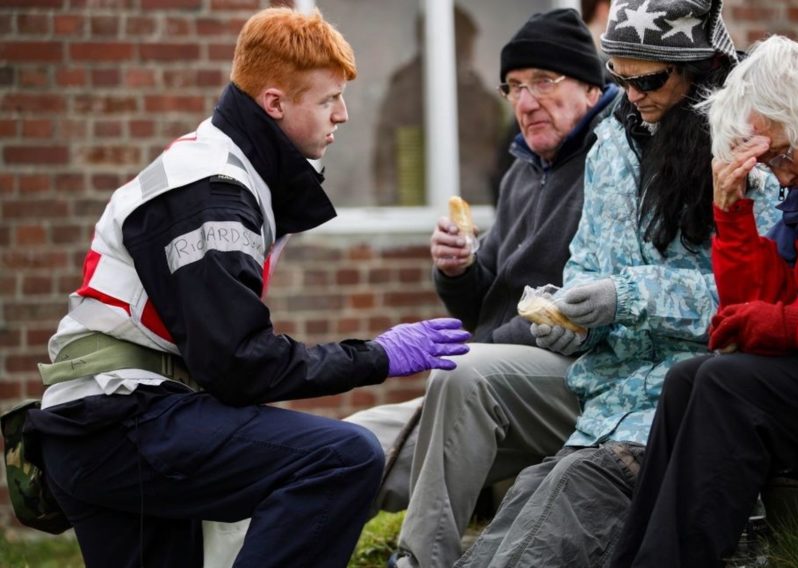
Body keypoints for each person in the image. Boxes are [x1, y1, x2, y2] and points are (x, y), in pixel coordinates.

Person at [23, 8, 470, 568]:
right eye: (328, 99)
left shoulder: (221, 170)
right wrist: (376, 356)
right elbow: (238, 364)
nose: (345, 114)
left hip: (99, 428)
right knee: (344, 457)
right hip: (122, 424)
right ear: (275, 103)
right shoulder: (212, 191)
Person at [456, 1, 783, 566]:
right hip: (603, 412)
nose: (632, 96)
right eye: (620, 78)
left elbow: (758, 300)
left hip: (677, 417)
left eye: (649, 79)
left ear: (699, 67)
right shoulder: (611, 141)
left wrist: (626, 298)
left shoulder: (751, 150)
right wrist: (574, 327)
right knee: (504, 533)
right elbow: (587, 264)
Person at [610, 34, 798, 567]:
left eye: (783, 154)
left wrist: (796, 327)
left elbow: (797, 324)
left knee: (726, 386)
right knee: (688, 379)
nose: (782, 175)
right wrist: (734, 217)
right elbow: (755, 320)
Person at [388, 9, 620, 568]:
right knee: (351, 442)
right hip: (493, 371)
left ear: (591, 85)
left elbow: (570, 305)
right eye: (514, 86)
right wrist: (457, 270)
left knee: (461, 376)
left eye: (543, 81)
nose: (525, 100)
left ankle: (418, 560)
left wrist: (481, 346)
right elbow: (480, 304)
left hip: (586, 375)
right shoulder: (523, 169)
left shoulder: (614, 161)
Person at [373, 5, 506, 206]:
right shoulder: (409, 89)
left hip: (477, 200)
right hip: (418, 202)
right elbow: (389, 158)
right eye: (465, 43)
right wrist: (393, 206)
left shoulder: (472, 89)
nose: (469, 53)